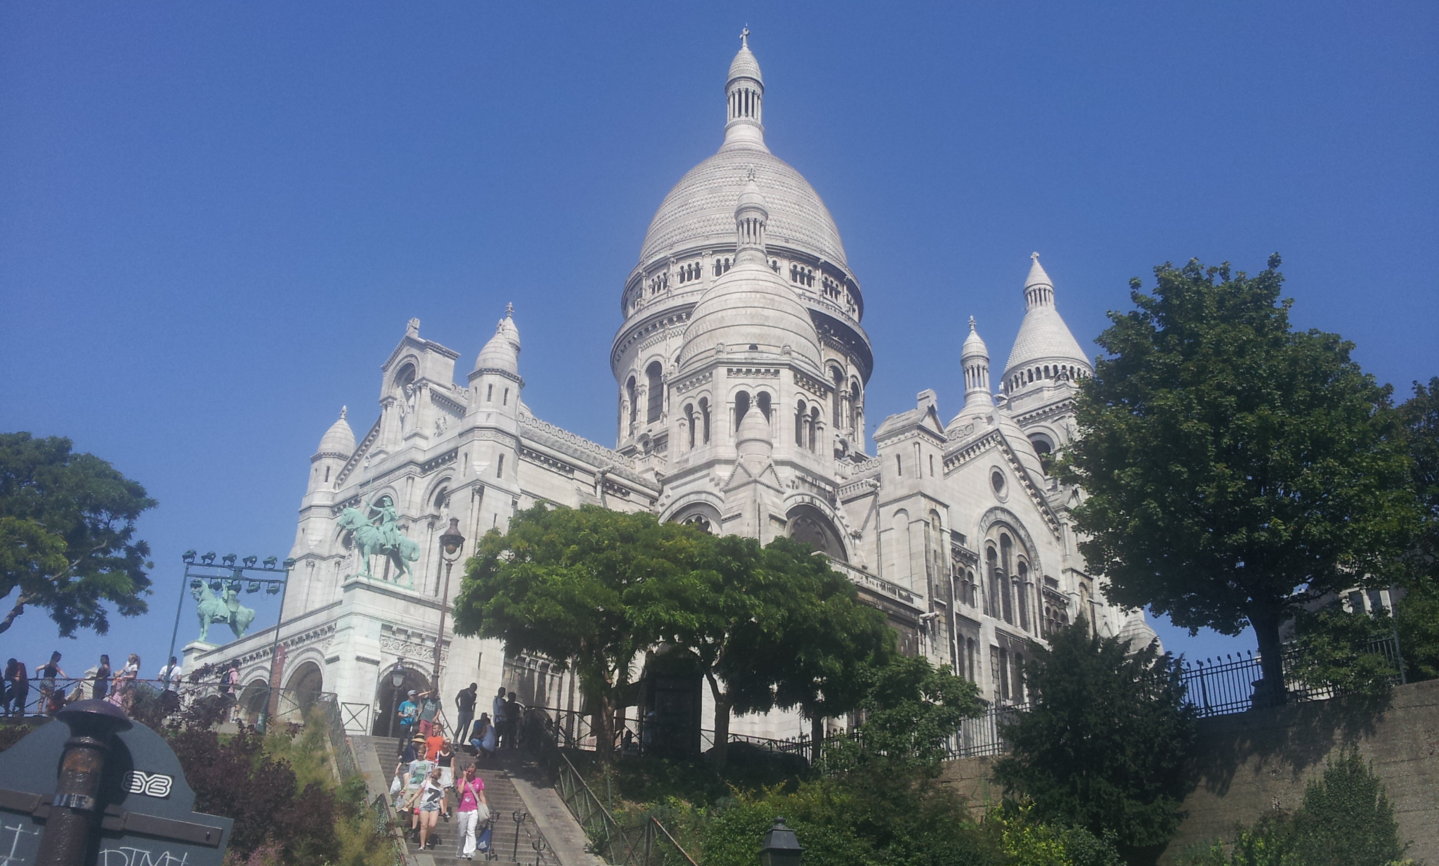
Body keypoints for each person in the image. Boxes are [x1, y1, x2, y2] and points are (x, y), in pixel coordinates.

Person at [401, 766, 446, 850]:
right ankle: (422, 844)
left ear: (438, 777)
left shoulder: (440, 786)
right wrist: (410, 802)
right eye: (433, 776)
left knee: (432, 825)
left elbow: (441, 798)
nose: (433, 778)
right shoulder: (426, 782)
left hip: (434, 807)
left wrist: (443, 809)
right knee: (424, 825)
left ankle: (426, 837)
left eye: (435, 777)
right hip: (424, 805)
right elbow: (417, 793)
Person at [455, 763, 490, 861]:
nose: (470, 773)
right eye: (468, 771)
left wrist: (485, 807)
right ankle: (460, 851)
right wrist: (464, 778)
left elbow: (481, 795)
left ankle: (470, 851)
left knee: (471, 830)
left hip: (473, 809)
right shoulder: (461, 780)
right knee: (462, 832)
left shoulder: (478, 781)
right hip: (462, 809)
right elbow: (460, 791)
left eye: (472, 772)